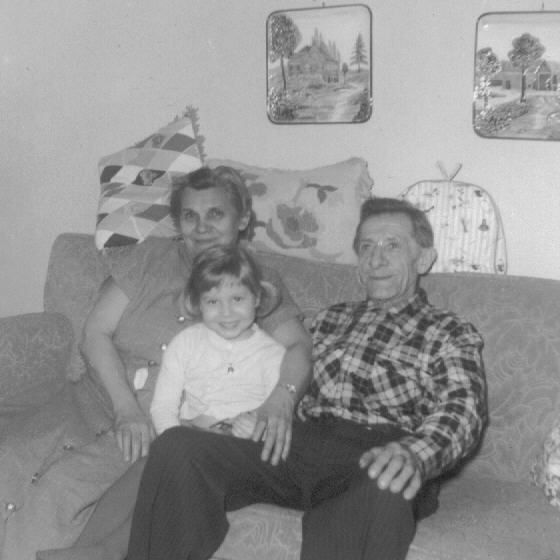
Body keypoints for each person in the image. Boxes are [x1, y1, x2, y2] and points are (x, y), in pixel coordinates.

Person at [126, 197, 488, 560]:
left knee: (384, 482)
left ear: (423, 259)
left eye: (392, 246)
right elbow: (254, 357)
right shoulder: (328, 319)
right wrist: (230, 420)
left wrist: (415, 454)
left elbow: (463, 410)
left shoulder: (447, 331)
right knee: (177, 446)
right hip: (297, 445)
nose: (376, 259)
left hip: (381, 452)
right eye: (366, 247)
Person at [36, 166, 312, 560]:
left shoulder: (254, 279)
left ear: (242, 220)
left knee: (100, 482)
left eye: (215, 214)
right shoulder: (148, 259)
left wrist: (281, 400)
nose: (202, 227)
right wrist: (126, 409)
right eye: (189, 215)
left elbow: (298, 347)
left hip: (185, 427)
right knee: (44, 480)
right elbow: (94, 333)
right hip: (107, 402)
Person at [150, 244, 286, 438]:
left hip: (243, 446)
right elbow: (163, 407)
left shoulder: (272, 354)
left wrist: (259, 430)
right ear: (199, 303)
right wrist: (173, 440)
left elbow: (277, 422)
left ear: (256, 298)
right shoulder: (185, 343)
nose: (226, 312)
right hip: (190, 438)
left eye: (237, 299)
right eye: (213, 302)